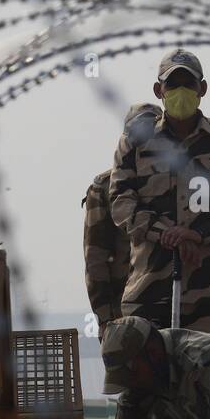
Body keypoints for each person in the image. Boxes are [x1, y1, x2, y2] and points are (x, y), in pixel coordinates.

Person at [108, 49, 210, 335]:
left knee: (208, 376)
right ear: (158, 90)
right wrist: (166, 233)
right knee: (147, 377)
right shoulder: (137, 142)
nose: (181, 91)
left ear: (203, 89)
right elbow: (121, 203)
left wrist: (198, 234)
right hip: (148, 292)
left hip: (207, 296)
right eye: (173, 85)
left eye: (189, 84)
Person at [82, 103, 161, 338]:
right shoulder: (106, 187)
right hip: (125, 310)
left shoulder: (175, 181)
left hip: (170, 303)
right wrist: (106, 320)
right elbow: (95, 260)